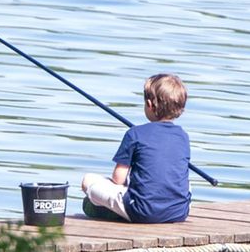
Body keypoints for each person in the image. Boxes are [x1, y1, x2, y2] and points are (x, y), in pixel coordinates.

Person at [80, 73, 192, 224]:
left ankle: (114, 211)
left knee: (88, 180)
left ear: (150, 104)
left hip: (142, 212)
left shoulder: (135, 134)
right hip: (179, 212)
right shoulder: (183, 137)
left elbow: (118, 179)